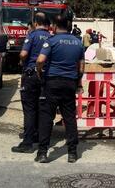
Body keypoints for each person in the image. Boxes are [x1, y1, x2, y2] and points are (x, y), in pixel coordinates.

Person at [35, 15, 85, 164]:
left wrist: (39, 72)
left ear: (55, 26)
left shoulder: (51, 41)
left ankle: (43, 153)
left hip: (52, 82)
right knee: (69, 118)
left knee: (46, 118)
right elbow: (81, 67)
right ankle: (72, 153)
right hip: (69, 83)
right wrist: (77, 81)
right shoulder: (78, 43)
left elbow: (40, 60)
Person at [11, 12, 51, 153]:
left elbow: (23, 54)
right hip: (45, 77)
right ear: (48, 24)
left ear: (35, 23)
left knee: (29, 109)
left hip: (30, 75)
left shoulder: (32, 35)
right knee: (42, 108)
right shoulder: (51, 38)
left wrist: (23, 63)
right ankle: (39, 137)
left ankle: (27, 143)